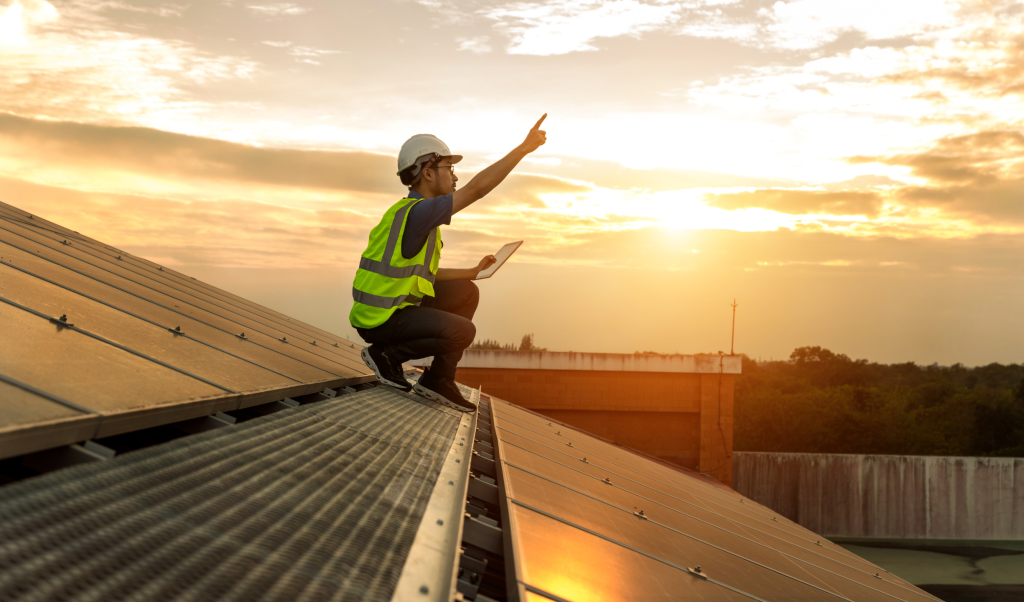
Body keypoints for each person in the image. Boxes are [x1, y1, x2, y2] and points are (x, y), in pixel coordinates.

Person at [350, 115, 549, 412]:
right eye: (449, 168)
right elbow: (477, 190)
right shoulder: (419, 213)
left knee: (466, 291)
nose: (455, 177)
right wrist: (522, 149)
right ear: (428, 172)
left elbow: (421, 274)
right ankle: (386, 356)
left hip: (391, 311)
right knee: (462, 332)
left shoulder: (414, 214)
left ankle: (439, 380)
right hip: (381, 320)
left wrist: (472, 272)